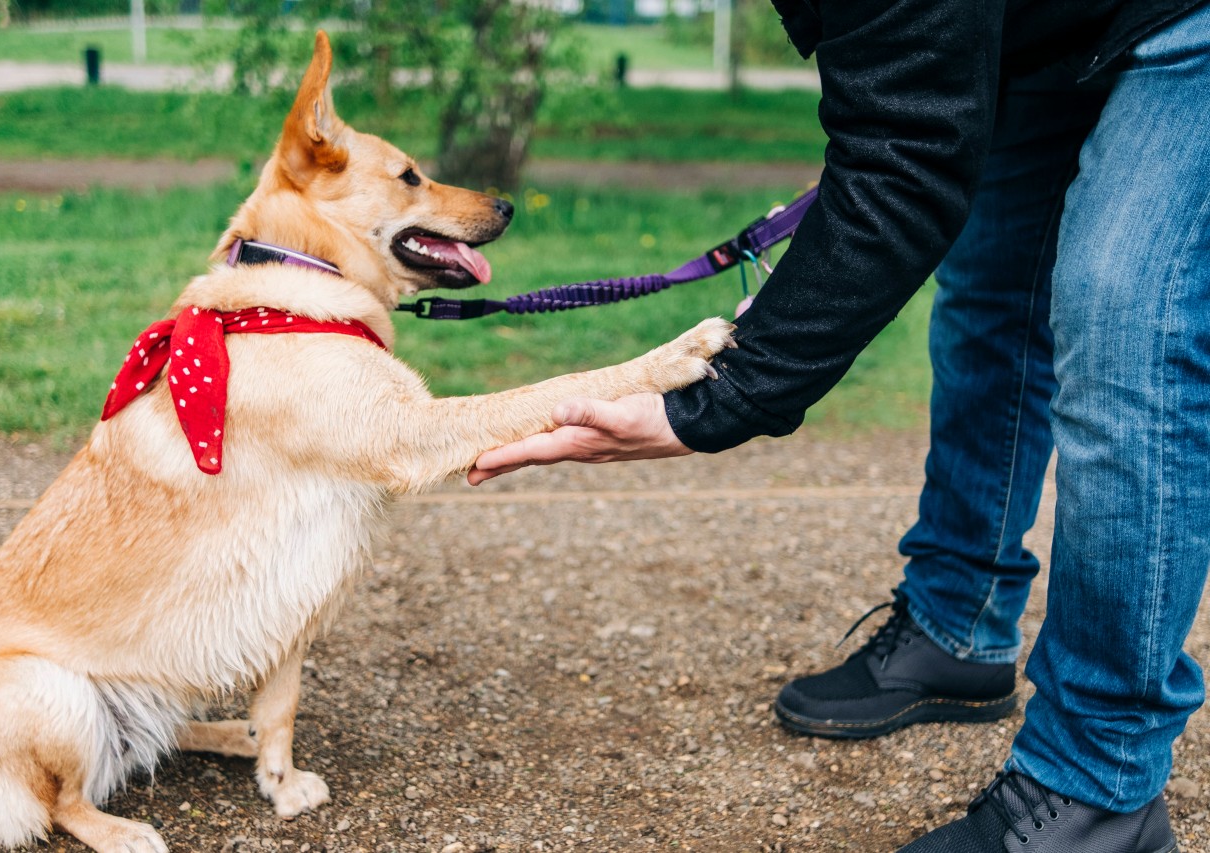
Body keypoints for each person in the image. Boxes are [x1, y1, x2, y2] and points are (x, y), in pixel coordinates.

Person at [468, 1, 1210, 850]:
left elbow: (903, 161)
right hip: (1037, 34)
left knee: (1126, 319)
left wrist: (727, 393)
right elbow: (906, 117)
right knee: (990, 292)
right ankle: (958, 627)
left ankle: (1100, 787)